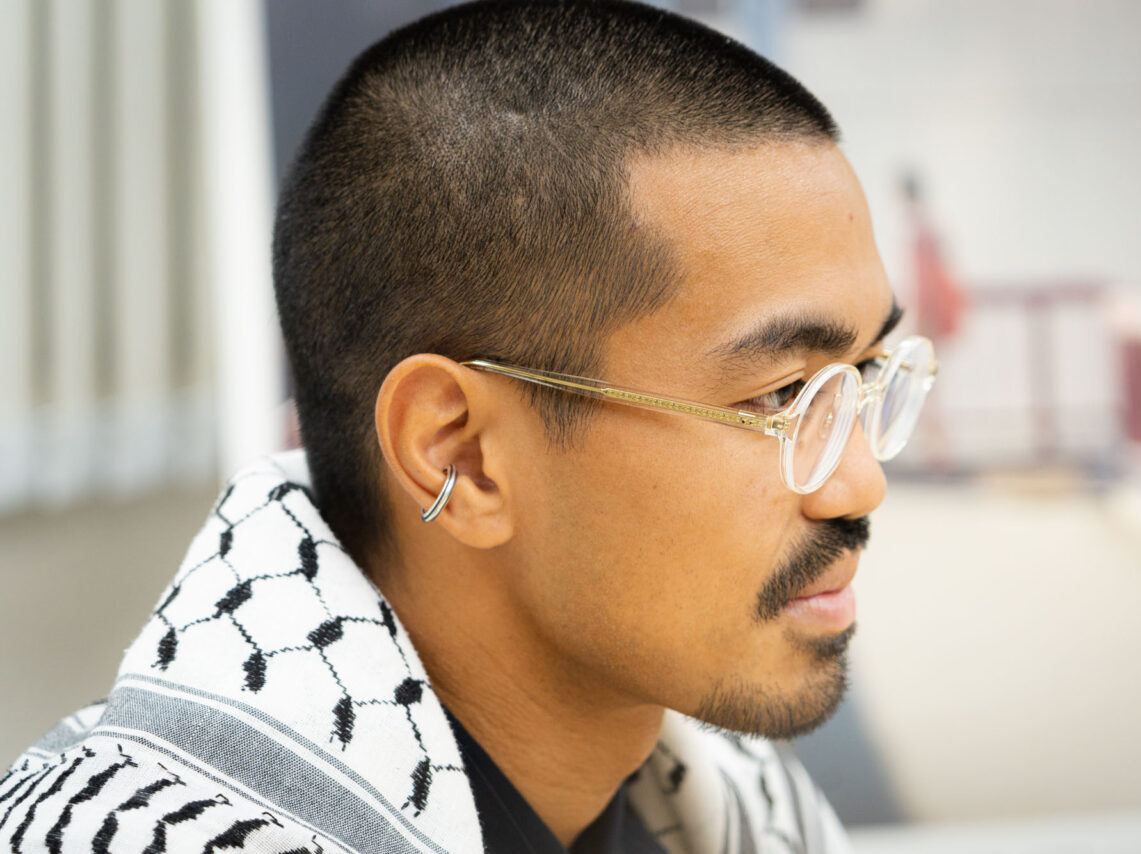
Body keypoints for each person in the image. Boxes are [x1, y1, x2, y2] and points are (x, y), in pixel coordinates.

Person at [0, 1, 937, 851]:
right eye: (780, 395)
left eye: (862, 376)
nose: (860, 482)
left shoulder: (747, 807)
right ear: (460, 453)